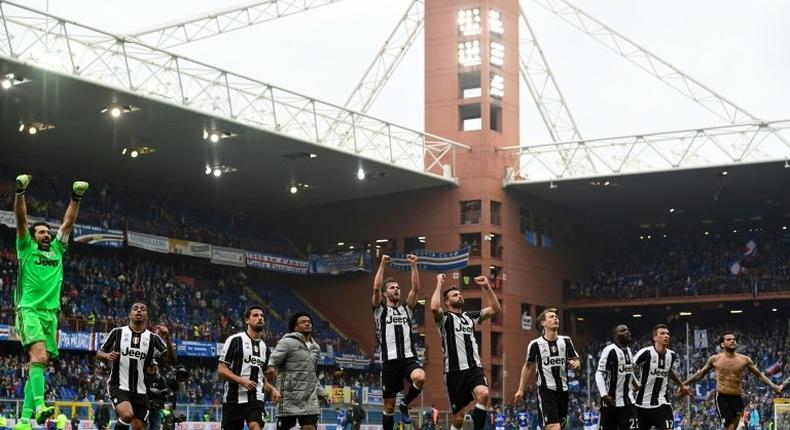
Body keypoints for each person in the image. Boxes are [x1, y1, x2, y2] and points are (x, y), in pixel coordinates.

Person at [12, 174, 88, 430]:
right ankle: (42, 406)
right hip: (29, 309)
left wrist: (76, 197)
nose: (46, 234)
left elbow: (68, 222)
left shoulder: (57, 249)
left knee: (38, 365)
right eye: (41, 232)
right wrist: (20, 193)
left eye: (47, 232)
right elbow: (21, 220)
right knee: (41, 357)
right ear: (32, 237)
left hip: (50, 314)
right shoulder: (26, 248)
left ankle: (23, 420)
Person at [430, 274, 500, 430]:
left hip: (474, 367)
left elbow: (495, 309)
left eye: (460, 294)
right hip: (454, 372)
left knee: (484, 394)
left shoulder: (469, 317)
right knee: (459, 419)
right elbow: (434, 307)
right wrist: (439, 283)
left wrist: (488, 287)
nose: (459, 296)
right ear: (447, 302)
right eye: (455, 295)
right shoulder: (444, 319)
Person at [96, 302, 176, 430]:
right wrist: (106, 356)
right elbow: (99, 353)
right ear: (130, 314)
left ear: (146, 316)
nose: (139, 311)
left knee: (139, 427)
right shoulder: (117, 333)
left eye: (142, 309)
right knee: (127, 415)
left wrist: (168, 339)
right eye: (135, 309)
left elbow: (171, 361)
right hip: (119, 385)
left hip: (141, 391)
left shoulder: (153, 338)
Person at [682, 331, 783, 430]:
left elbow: (759, 375)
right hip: (722, 398)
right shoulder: (715, 359)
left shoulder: (744, 359)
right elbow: (700, 374)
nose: (732, 341)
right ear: (722, 344)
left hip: (738, 398)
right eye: (729, 339)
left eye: (734, 339)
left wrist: (774, 386)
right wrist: (683, 385)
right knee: (729, 428)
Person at [372, 255, 425, 429]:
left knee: (420, 377)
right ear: (386, 293)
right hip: (389, 361)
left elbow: (416, 289)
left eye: (398, 287)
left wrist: (414, 266)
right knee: (388, 406)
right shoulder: (380, 310)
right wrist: (382, 265)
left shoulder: (406, 309)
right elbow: (376, 288)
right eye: (392, 288)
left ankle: (405, 404)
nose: (396, 290)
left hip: (408, 358)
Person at [514, 308, 580, 430]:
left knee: (557, 427)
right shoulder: (535, 345)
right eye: (551, 316)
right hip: (546, 390)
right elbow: (527, 366)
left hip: (564, 391)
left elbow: (576, 360)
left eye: (556, 317)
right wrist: (521, 389)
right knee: (554, 427)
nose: (556, 318)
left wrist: (576, 363)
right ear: (543, 323)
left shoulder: (566, 341)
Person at [217, 306, 280, 430]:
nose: (260, 318)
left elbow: (262, 378)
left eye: (262, 316)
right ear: (247, 320)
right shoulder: (235, 340)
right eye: (255, 315)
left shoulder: (265, 348)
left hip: (255, 398)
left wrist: (272, 389)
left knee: (256, 426)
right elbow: (221, 369)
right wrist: (241, 380)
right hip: (233, 397)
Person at [268, 312, 327, 430]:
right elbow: (271, 364)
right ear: (295, 327)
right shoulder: (286, 342)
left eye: (309, 322)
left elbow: (312, 374)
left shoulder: (316, 348)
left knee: (310, 427)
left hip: (310, 400)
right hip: (289, 398)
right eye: (303, 322)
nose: (307, 323)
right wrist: (272, 389)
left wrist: (321, 392)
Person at [632, 324, 690, 430]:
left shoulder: (672, 355)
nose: (666, 336)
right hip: (641, 405)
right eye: (662, 333)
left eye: (668, 334)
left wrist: (681, 385)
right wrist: (633, 386)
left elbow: (668, 371)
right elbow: (629, 369)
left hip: (662, 403)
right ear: (655, 337)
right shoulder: (645, 353)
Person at [596, 324, 640, 430]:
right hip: (610, 403)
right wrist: (604, 395)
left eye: (628, 330)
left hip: (628, 402)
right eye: (623, 330)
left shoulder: (629, 351)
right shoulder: (609, 350)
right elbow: (599, 373)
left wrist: (637, 385)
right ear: (615, 335)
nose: (627, 332)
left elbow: (629, 372)